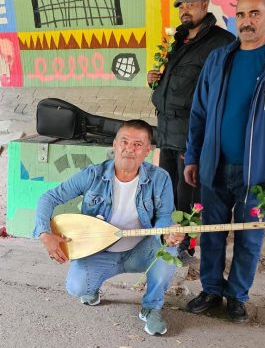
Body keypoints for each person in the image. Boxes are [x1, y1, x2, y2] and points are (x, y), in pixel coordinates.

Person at [184, 0, 265, 322]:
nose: (246, 21)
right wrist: (192, 157)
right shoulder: (219, 59)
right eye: (240, 14)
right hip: (214, 166)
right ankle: (211, 289)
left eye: (254, 13)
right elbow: (198, 113)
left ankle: (237, 296)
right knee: (211, 233)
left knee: (249, 239)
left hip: (261, 174)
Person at [33, 120, 185, 336]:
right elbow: (49, 197)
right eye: (124, 141)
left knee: (168, 252)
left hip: (139, 252)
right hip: (99, 251)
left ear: (147, 151)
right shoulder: (93, 175)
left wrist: (168, 232)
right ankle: (92, 287)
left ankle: (151, 308)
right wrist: (44, 233)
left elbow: (164, 216)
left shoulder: (159, 178)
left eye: (138, 144)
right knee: (76, 287)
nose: (129, 148)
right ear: (114, 144)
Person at [148, 0, 234, 261]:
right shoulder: (179, 40)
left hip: (192, 132)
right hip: (166, 130)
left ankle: (187, 245)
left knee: (190, 192)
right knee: (168, 190)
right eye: (180, 6)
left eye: (189, 5)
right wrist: (155, 81)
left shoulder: (221, 42)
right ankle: (169, 236)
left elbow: (221, 91)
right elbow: (175, 82)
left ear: (205, 5)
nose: (184, 10)